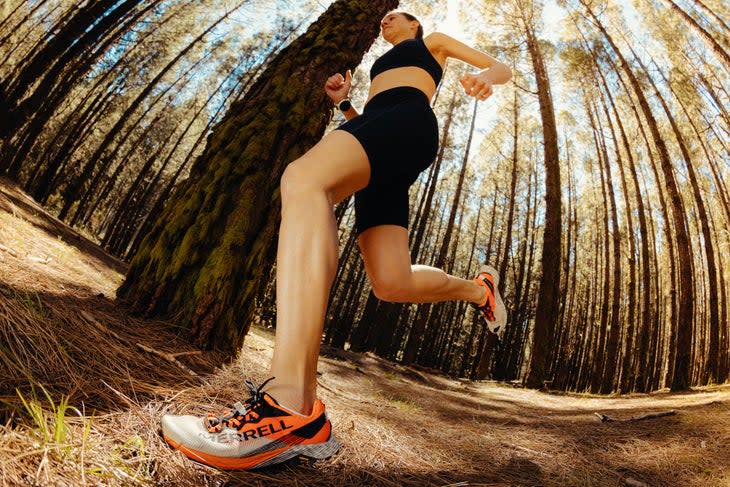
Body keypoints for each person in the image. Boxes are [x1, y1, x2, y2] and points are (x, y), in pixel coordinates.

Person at [161, 10, 512, 470]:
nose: (384, 22)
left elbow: (503, 68)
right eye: (382, 19)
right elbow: (374, 118)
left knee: (304, 179)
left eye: (393, 17)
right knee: (392, 282)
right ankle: (477, 290)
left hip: (407, 125)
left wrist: (486, 76)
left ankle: (288, 404)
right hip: (383, 139)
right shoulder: (382, 66)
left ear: (414, 25)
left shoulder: (432, 44)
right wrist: (346, 107)